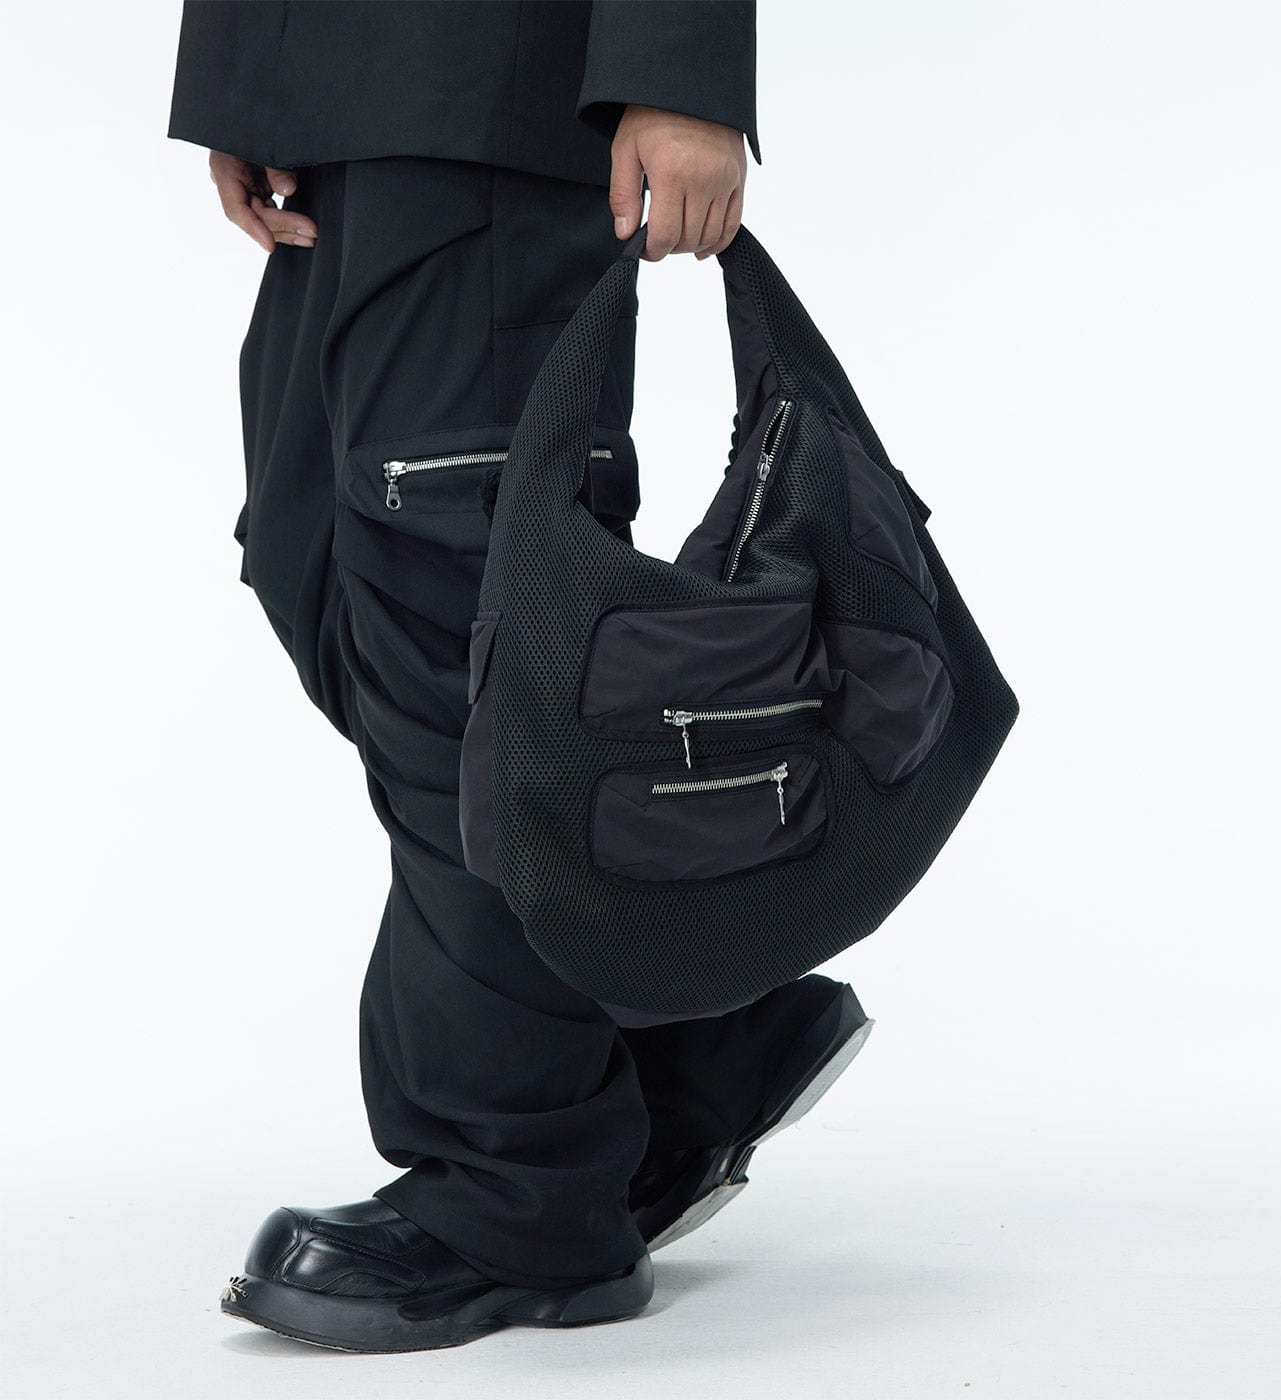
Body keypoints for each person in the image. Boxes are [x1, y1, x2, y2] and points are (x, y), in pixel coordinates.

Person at [169, 0, 872, 1353]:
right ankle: (662, 1045)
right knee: (318, 558)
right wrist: (254, 75)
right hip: (344, 99)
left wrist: (680, 74)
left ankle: (519, 1191)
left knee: (456, 631)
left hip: (494, 91)